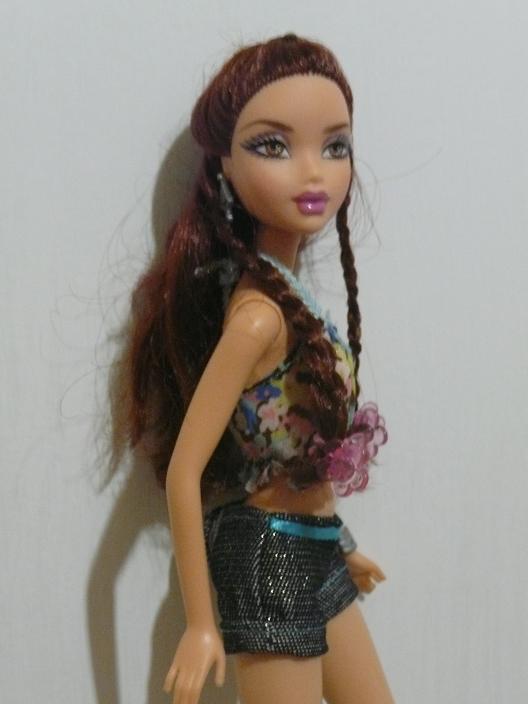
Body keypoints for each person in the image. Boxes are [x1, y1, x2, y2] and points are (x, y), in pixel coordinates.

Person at [116, 33, 394, 704]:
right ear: (224, 168)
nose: (313, 172)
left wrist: (338, 540)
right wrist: (201, 625)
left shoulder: (291, 296)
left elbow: (301, 455)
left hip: (318, 547)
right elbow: (185, 472)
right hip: (270, 559)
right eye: (273, 145)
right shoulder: (257, 319)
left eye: (335, 146)